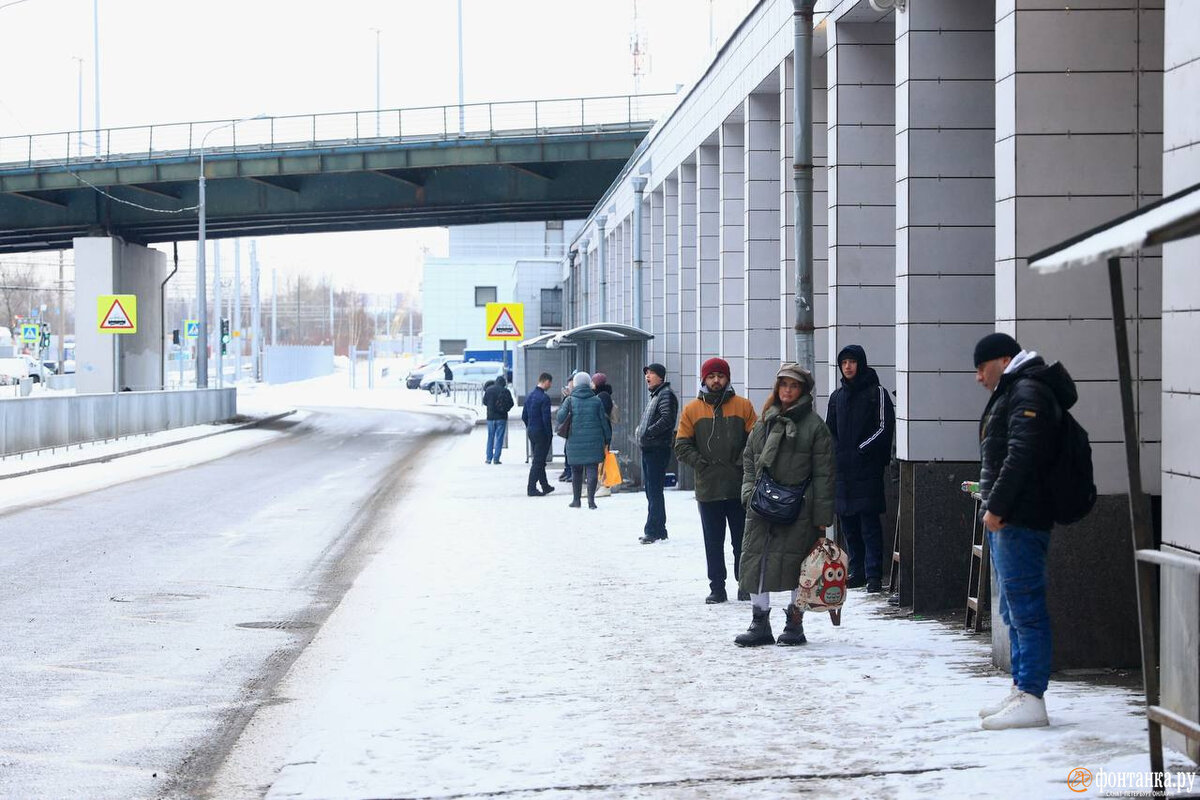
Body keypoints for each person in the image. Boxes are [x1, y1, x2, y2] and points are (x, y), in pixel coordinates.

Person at [974, 332, 1072, 730]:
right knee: (1012, 608)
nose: (978, 377)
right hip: (1012, 516)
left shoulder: (1027, 390)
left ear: (1003, 359)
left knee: (1025, 609)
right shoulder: (1018, 389)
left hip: (1020, 518)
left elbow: (1021, 454)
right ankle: (1022, 689)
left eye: (981, 367)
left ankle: (1032, 695)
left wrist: (997, 506)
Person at [735, 363, 834, 647]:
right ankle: (759, 622)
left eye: (794, 385)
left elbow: (824, 474)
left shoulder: (815, 427)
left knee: (797, 566)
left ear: (802, 390)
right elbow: (750, 458)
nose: (788, 390)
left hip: (799, 507)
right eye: (783, 385)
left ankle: (795, 623)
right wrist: (749, 492)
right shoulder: (765, 420)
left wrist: (820, 516)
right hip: (762, 504)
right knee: (756, 562)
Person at [675, 357, 757, 604]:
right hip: (708, 488)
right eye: (711, 376)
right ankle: (717, 587)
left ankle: (744, 584)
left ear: (727, 378)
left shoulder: (743, 406)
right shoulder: (692, 410)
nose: (716, 381)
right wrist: (700, 463)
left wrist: (744, 463)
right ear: (703, 379)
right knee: (713, 542)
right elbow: (681, 445)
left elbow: (756, 441)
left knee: (742, 540)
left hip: (738, 486)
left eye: (720, 376)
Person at [825, 344, 895, 594]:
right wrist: (838, 455)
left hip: (867, 470)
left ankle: (874, 573)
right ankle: (857, 571)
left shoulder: (877, 393)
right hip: (843, 471)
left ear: (861, 363)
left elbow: (884, 429)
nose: (848, 366)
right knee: (848, 525)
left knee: (869, 524)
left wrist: (861, 451)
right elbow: (829, 431)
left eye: (852, 362)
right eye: (843, 363)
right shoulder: (837, 397)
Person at [636, 363, 679, 544]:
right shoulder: (657, 395)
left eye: (651, 373)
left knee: (654, 492)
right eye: (646, 373)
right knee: (651, 491)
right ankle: (657, 529)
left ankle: (654, 531)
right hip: (650, 448)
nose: (647, 376)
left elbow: (667, 419)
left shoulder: (665, 395)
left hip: (657, 449)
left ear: (661, 377)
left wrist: (649, 432)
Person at [556, 371, 611, 509]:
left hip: (574, 442)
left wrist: (565, 400)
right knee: (592, 469)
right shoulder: (596, 400)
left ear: (575, 384)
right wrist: (607, 438)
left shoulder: (570, 400)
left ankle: (576, 500)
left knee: (576, 471)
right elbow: (603, 421)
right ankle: (591, 501)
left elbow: (560, 417)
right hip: (594, 440)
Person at [522, 373, 556, 496]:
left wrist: (530, 426)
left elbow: (524, 416)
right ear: (546, 381)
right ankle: (531, 488)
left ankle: (545, 485)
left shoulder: (529, 396)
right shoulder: (544, 398)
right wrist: (549, 435)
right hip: (541, 433)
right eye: (550, 383)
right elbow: (546, 419)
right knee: (538, 462)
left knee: (539, 460)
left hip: (531, 431)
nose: (550, 385)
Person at [592, 372, 617, 497]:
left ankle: (606, 485)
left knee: (604, 459)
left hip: (603, 433)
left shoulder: (603, 396)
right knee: (600, 459)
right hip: (602, 432)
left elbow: (603, 415)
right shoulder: (601, 395)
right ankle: (600, 484)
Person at [482, 374, 514, 465]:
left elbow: (484, 402)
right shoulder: (506, 391)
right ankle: (496, 459)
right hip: (501, 417)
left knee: (490, 437)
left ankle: (488, 458)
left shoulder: (489, 390)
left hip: (490, 418)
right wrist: (505, 409)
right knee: (499, 438)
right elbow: (511, 403)